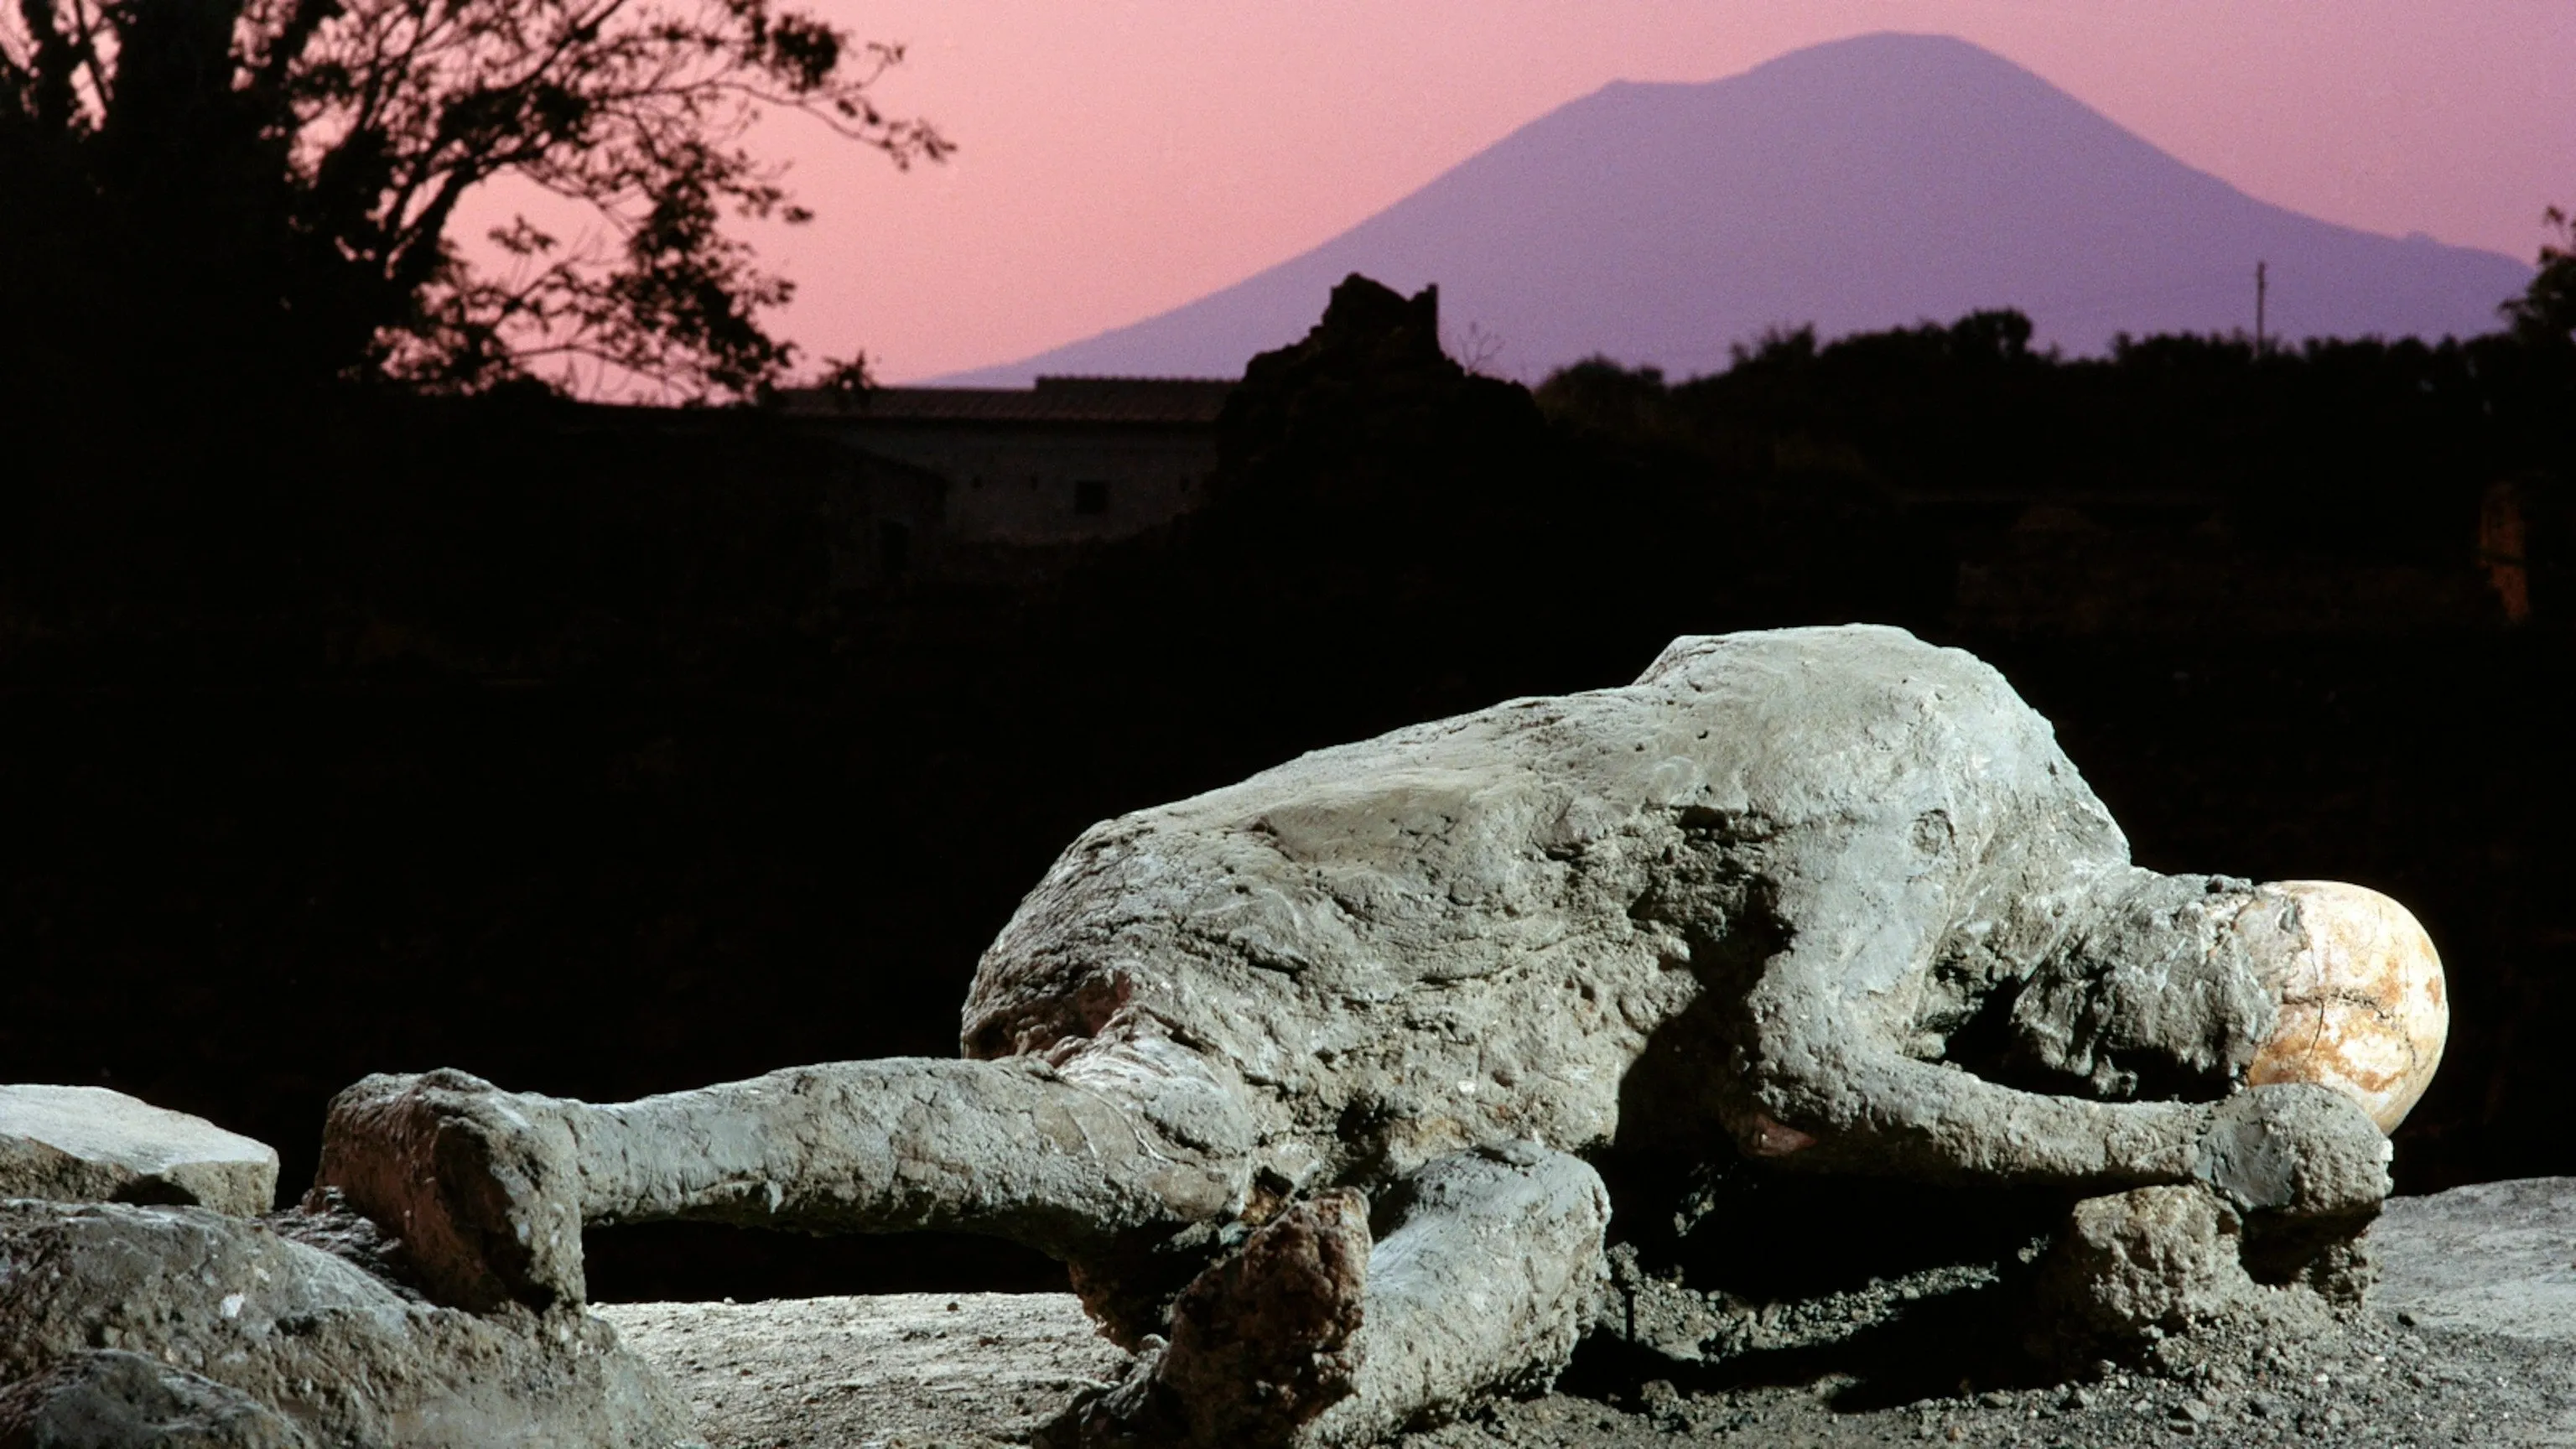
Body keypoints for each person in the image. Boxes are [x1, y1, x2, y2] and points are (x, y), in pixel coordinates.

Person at [317, 626, 2445, 1446]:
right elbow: (1806, 1094)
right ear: (2200, 918)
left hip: (1452, 1073)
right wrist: (2179, 1161)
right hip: (1281, 919)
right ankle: (542, 1150)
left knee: (1533, 1232)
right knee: (1140, 1141)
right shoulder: (1942, 761)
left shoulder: (1989, 834)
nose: (2160, 1067)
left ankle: (1273, 1382)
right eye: (2217, 1034)